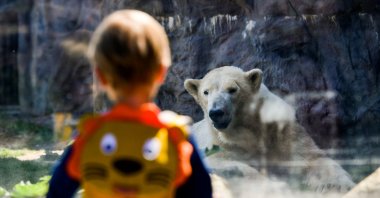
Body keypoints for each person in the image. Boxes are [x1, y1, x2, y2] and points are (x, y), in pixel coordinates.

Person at [47, 9, 212, 198]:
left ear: (100, 76)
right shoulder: (175, 136)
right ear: (161, 72)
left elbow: (56, 192)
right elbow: (201, 193)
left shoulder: (91, 134)